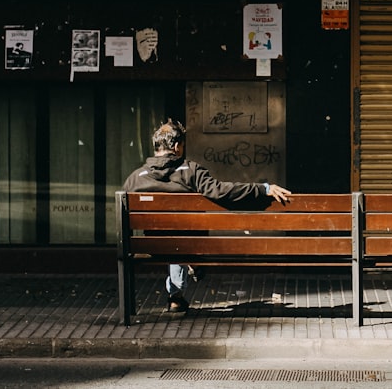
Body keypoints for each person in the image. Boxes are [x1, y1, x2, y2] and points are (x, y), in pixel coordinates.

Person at [122, 118, 292, 313]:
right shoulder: (191, 171)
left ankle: (176, 295)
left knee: (172, 240)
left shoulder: (135, 179)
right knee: (180, 239)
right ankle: (190, 267)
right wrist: (263, 189)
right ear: (177, 147)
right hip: (189, 244)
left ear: (156, 147)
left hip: (153, 246)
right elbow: (223, 192)